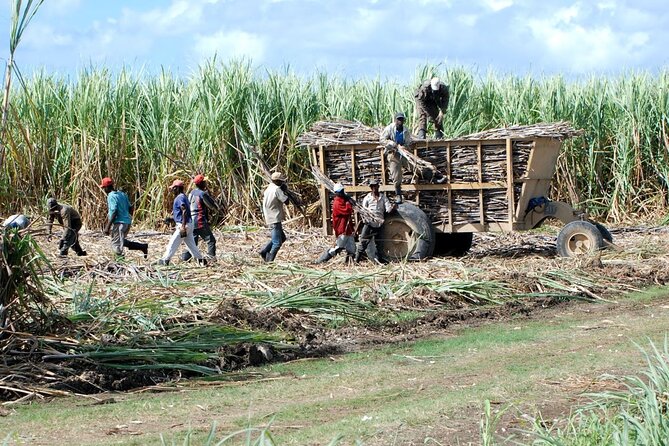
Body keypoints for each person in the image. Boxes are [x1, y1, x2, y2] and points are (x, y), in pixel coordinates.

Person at [158, 179, 206, 266]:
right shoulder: (184, 196)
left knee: (173, 243)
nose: (172, 190)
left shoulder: (179, 198)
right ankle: (201, 260)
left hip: (184, 225)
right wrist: (172, 219)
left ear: (177, 188)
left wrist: (183, 226)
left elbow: (184, 211)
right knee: (191, 245)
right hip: (189, 224)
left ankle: (165, 260)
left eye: (173, 188)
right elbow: (182, 213)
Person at [100, 177, 148, 258]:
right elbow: (130, 208)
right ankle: (142, 247)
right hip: (126, 222)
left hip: (119, 223)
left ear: (107, 187)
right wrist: (127, 218)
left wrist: (107, 227)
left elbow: (114, 211)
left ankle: (119, 264)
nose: (104, 190)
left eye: (104, 188)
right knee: (120, 240)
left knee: (116, 245)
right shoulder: (122, 194)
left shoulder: (111, 196)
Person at [354, 179, 395, 263]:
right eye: (372, 186)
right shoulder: (367, 198)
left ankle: (380, 260)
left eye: (375, 186)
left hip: (379, 224)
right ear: (371, 188)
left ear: (378, 187)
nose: (374, 188)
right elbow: (363, 212)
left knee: (380, 243)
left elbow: (388, 209)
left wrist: (392, 208)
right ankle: (356, 260)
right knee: (363, 242)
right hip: (369, 224)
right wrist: (366, 220)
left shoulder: (383, 198)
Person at [181, 174, 220, 261]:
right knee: (211, 240)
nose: (206, 183)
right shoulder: (202, 194)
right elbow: (212, 206)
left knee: (193, 242)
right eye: (205, 182)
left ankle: (185, 257)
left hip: (191, 220)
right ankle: (211, 258)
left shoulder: (191, 193)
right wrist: (216, 207)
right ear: (202, 184)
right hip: (199, 220)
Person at [314, 182, 355, 264]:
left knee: (352, 248)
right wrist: (349, 203)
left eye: (342, 190)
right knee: (338, 247)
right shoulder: (337, 203)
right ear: (337, 193)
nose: (342, 192)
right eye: (341, 191)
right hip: (342, 229)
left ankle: (349, 263)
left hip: (348, 229)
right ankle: (322, 260)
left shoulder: (344, 199)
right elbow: (347, 211)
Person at [379, 112, 412, 203]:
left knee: (414, 165)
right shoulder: (390, 128)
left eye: (401, 119)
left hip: (403, 152)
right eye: (398, 119)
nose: (400, 121)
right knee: (396, 174)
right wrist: (392, 144)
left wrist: (405, 146)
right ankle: (398, 195)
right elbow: (382, 139)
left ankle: (432, 175)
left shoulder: (405, 130)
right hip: (393, 152)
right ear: (395, 120)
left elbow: (409, 141)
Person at [259, 172, 290, 262]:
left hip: (269, 215)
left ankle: (264, 251)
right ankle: (269, 260)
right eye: (281, 181)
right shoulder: (277, 189)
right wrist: (285, 191)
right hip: (274, 218)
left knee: (282, 238)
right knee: (277, 243)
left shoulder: (269, 187)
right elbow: (286, 201)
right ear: (277, 181)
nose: (282, 183)